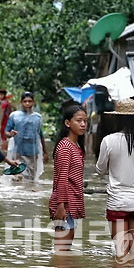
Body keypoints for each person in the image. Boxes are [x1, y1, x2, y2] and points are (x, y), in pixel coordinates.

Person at [95, 99, 134, 258]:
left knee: (121, 250)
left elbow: (100, 170)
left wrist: (112, 167)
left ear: (118, 118)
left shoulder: (109, 141)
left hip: (117, 201)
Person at [48, 105, 87, 253]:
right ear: (67, 123)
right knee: (61, 253)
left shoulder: (76, 145)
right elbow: (62, 178)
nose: (83, 124)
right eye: (78, 120)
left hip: (71, 202)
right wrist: (61, 206)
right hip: (65, 205)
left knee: (65, 252)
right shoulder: (65, 146)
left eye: (85, 121)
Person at [5, 91, 48, 181]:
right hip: (18, 152)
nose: (27, 103)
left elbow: (40, 135)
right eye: (25, 101)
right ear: (21, 102)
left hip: (33, 153)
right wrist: (10, 134)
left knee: (30, 179)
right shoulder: (14, 116)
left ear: (33, 102)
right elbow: (6, 132)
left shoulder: (37, 117)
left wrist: (45, 152)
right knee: (17, 177)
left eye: (29, 101)